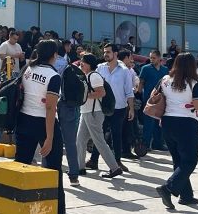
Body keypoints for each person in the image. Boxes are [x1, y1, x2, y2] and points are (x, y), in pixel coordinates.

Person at [15, 40, 66, 214]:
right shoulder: (53, 76)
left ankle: (16, 206)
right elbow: (50, 108)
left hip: (24, 120)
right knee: (54, 171)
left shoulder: (28, 69)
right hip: (44, 123)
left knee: (21, 165)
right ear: (54, 55)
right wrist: (49, 138)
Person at [156, 53, 198, 209]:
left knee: (178, 161)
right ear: (192, 66)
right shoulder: (193, 83)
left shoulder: (165, 80)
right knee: (190, 160)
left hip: (167, 122)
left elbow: (154, 96)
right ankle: (168, 188)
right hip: (186, 123)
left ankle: (186, 196)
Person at [87, 44, 135, 173]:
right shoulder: (100, 68)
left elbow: (129, 92)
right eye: (104, 52)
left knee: (116, 135)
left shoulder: (124, 71)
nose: (105, 54)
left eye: (108, 52)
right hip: (102, 107)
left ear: (115, 53)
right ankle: (93, 160)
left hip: (119, 108)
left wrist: (131, 109)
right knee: (99, 135)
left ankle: (117, 161)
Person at [77, 54, 123, 179]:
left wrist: (84, 96)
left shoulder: (94, 76)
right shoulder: (87, 76)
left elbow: (101, 92)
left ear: (90, 64)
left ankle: (115, 168)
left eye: (83, 62)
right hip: (87, 112)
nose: (81, 64)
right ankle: (79, 167)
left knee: (99, 141)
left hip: (93, 112)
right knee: (80, 140)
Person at [52, 44, 81, 186]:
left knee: (50, 141)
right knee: (70, 143)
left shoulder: (48, 65)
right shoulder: (68, 64)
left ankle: (50, 172)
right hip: (69, 106)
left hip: (51, 103)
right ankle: (74, 175)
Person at [138, 50, 169, 151]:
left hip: (161, 100)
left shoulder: (165, 70)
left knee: (159, 122)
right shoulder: (145, 68)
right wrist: (138, 95)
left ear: (159, 58)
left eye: (154, 58)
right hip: (149, 100)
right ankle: (145, 145)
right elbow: (141, 82)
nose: (151, 60)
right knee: (148, 123)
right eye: (150, 57)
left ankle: (158, 143)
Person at [119, 50, 139, 159]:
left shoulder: (130, 70)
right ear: (126, 58)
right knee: (124, 127)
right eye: (130, 57)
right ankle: (123, 150)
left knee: (128, 127)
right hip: (122, 102)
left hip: (126, 102)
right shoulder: (122, 70)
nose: (132, 59)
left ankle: (125, 149)